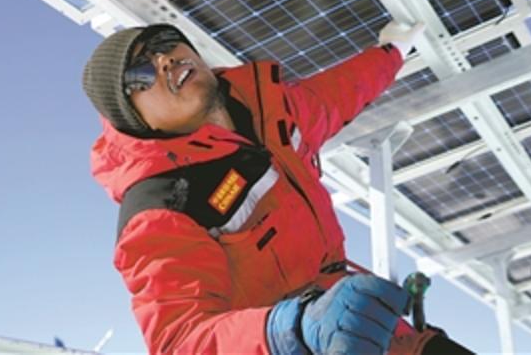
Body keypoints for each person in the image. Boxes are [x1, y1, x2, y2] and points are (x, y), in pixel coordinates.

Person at [82, 22, 470, 355]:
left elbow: (341, 92)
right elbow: (181, 341)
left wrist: (393, 50)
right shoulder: (161, 208)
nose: (163, 60)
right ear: (134, 120)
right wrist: (291, 329)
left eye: (164, 42)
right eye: (140, 74)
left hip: (383, 334)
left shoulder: (271, 114)